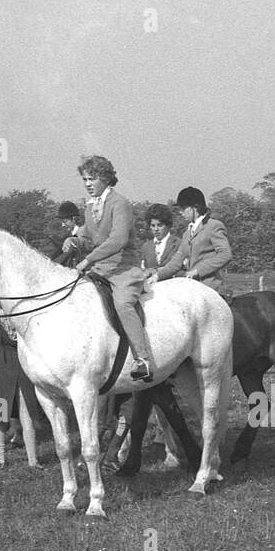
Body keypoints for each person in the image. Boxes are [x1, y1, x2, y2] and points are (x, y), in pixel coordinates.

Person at [73, 155, 155, 383]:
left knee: (122, 304)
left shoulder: (121, 204)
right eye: (85, 179)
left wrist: (87, 259)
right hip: (101, 269)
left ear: (106, 179)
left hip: (123, 268)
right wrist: (76, 241)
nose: (88, 184)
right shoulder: (90, 207)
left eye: (92, 178)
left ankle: (142, 359)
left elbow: (118, 240)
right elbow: (94, 239)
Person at [0, 314, 41, 468]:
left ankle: (0, 458)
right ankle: (33, 460)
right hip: (23, 369)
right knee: (26, 417)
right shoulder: (23, 318)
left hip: (0, 370)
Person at [152, 187, 232, 291]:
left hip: (211, 288)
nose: (181, 212)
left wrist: (197, 271)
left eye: (183, 208)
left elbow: (225, 255)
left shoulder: (214, 226)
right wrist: (157, 276)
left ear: (195, 207)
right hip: (193, 288)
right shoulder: (187, 233)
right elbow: (176, 261)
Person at [140, 203, 183, 273]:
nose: (156, 229)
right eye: (153, 226)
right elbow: (142, 269)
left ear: (168, 225)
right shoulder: (145, 247)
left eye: (159, 225)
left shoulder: (179, 244)